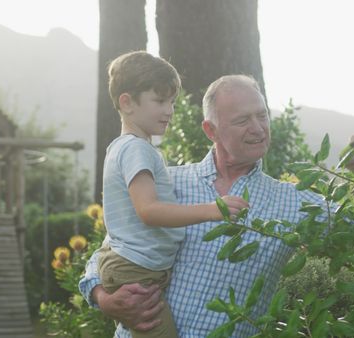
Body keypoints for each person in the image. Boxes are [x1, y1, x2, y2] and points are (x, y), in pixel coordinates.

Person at [80, 74, 354, 337]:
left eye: (262, 116)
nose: (258, 128)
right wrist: (103, 297)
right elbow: (109, 250)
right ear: (210, 131)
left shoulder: (295, 201)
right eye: (242, 120)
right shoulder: (165, 184)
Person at [98, 52, 249, 338]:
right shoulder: (136, 149)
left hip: (137, 266)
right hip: (136, 271)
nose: (169, 111)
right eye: (159, 101)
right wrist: (213, 209)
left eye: (172, 102)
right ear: (127, 102)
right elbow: (149, 211)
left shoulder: (127, 148)